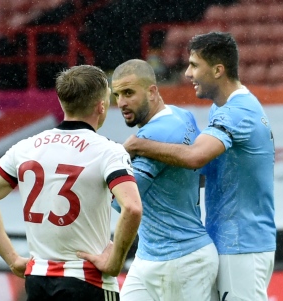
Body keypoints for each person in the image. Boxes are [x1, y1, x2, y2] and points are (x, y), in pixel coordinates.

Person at [0, 64, 142, 301]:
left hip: (38, 280)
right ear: (101, 106)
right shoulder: (109, 151)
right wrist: (114, 262)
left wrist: (12, 259)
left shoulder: (25, 147)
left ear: (63, 103)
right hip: (87, 280)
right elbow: (132, 208)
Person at [123, 32, 276, 301]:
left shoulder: (237, 112)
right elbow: (202, 173)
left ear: (218, 70)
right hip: (231, 239)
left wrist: (138, 146)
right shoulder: (225, 108)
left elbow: (195, 158)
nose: (187, 73)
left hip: (242, 243)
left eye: (194, 65)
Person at [81, 59, 218, 300]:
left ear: (152, 91)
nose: (121, 102)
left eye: (129, 93)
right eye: (117, 95)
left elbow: (119, 201)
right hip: (150, 256)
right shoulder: (181, 114)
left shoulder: (151, 136)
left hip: (179, 261)